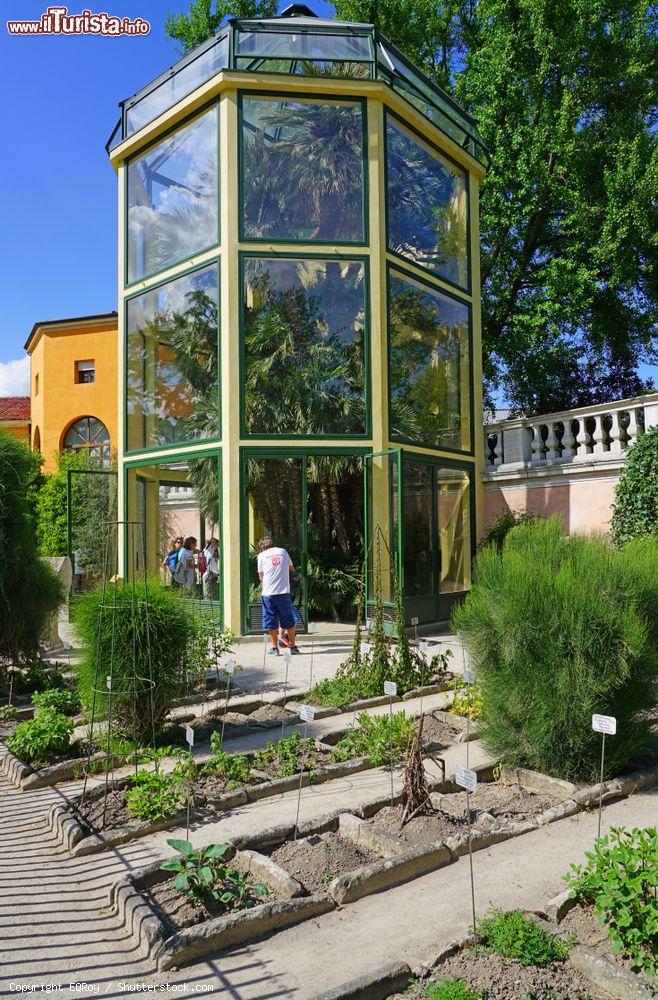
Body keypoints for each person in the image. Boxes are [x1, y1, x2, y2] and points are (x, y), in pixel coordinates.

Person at [257, 536, 299, 655]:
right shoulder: (283, 552)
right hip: (283, 593)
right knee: (288, 621)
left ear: (262, 547)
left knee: (271, 621)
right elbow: (292, 569)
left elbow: (261, 577)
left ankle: (275, 649)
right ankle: (293, 647)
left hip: (268, 594)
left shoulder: (261, 556)